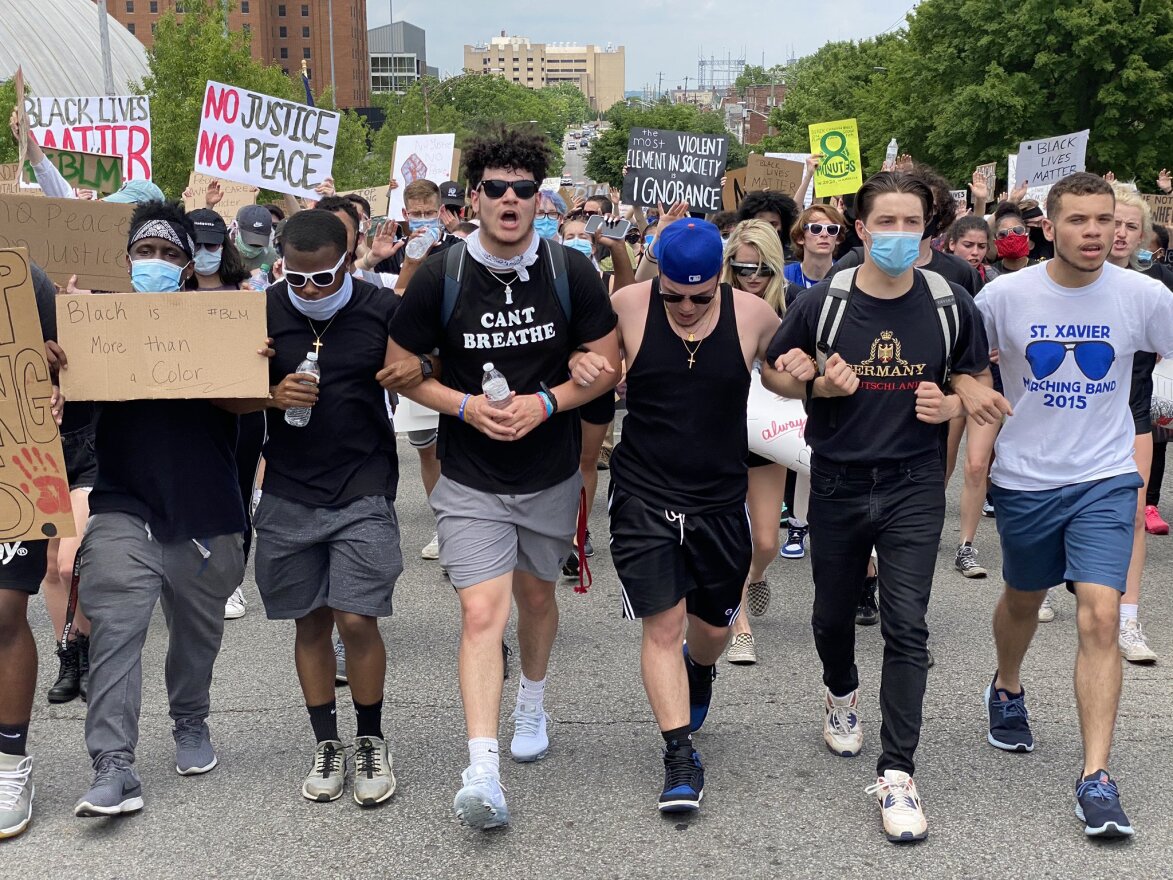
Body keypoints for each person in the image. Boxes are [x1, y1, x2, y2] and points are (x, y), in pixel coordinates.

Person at [386, 126, 620, 830]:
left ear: (538, 198)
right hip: (469, 476)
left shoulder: (568, 270)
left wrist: (548, 398)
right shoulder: (442, 274)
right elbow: (396, 368)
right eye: (495, 187)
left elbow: (607, 361)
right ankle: (481, 769)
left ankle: (533, 700)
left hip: (548, 473)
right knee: (481, 614)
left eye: (523, 188)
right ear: (475, 197)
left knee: (536, 597)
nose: (510, 199)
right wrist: (463, 407)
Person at [764, 171, 992, 843]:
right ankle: (839, 693)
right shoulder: (826, 298)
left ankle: (897, 774)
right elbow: (775, 368)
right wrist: (811, 385)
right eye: (883, 223)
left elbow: (972, 375)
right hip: (835, 477)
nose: (897, 235)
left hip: (913, 481)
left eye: (909, 223)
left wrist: (953, 403)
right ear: (860, 229)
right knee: (832, 616)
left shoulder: (951, 301)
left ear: (927, 230)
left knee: (906, 623)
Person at [973, 172, 1173, 839]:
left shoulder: (1143, 295)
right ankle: (1005, 685)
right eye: (1080, 220)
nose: (1095, 232)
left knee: (1098, 613)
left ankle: (1095, 778)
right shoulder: (1003, 295)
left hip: (1106, 475)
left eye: (1105, 220)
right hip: (1026, 478)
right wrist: (969, 392)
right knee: (1023, 601)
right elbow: (961, 361)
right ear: (1048, 227)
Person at [577, 217, 779, 813]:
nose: (686, 307)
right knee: (662, 627)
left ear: (720, 276)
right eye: (674, 295)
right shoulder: (629, 306)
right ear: (657, 273)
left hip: (720, 499)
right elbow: (592, 370)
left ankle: (701, 670)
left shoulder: (754, 316)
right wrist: (587, 369)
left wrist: (806, 380)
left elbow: (792, 379)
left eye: (700, 295)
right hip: (643, 494)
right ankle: (678, 754)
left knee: (711, 631)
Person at [73, 200, 262, 817]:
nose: (155, 263)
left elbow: (244, 408)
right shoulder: (97, 322)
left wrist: (239, 361)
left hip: (205, 506)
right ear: (128, 259)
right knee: (117, 631)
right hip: (124, 505)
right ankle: (113, 765)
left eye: (169, 254)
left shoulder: (218, 320)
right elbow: (69, 406)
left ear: (188, 265)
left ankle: (190, 718)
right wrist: (58, 359)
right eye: (145, 252)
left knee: (196, 634)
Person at [239, 210, 406, 807]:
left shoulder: (381, 310)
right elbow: (223, 391)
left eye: (324, 278)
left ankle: (370, 740)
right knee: (309, 621)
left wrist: (423, 367)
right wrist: (269, 393)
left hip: (361, 483)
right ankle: (326, 742)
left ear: (348, 258)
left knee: (356, 618)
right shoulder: (259, 311)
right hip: (288, 487)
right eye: (296, 279)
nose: (308, 290)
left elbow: (428, 361)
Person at [0, 260, 65, 839]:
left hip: (12, 463)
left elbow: (58, 370)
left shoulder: (23, 279)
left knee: (2, 612)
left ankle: (8, 759)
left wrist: (53, 386)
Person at [1100, 183, 1166, 662]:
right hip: (1070, 417)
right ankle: (1039, 589)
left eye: (1130, 226)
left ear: (1143, 236)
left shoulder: (1154, 288)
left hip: (1134, 415)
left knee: (1135, 514)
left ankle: (1128, 618)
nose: (1120, 234)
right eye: (1112, 222)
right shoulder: (1061, 280)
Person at [716, 220, 787, 665]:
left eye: (761, 269)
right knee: (734, 535)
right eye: (743, 268)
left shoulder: (793, 304)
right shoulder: (713, 303)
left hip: (770, 431)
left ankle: (757, 574)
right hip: (719, 430)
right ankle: (738, 626)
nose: (753, 277)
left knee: (765, 540)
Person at [830, 165, 981, 298]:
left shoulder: (959, 285)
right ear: (861, 229)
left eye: (911, 220)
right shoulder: (840, 277)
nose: (900, 230)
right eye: (887, 221)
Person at [784, 204, 848, 292]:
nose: (824, 234)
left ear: (838, 238)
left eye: (832, 229)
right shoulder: (784, 277)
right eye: (816, 228)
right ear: (800, 237)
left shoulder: (847, 278)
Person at [736, 190, 799, 257]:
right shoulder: (739, 255)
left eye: (773, 224)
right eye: (761, 223)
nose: (767, 228)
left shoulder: (793, 259)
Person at [946, 215, 998, 285]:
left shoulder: (994, 278)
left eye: (982, 246)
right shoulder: (937, 277)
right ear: (952, 244)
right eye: (968, 245)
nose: (975, 252)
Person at [234, 205, 279, 275]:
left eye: (259, 243)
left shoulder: (272, 257)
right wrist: (249, 275)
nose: (253, 247)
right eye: (249, 240)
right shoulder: (226, 253)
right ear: (237, 229)